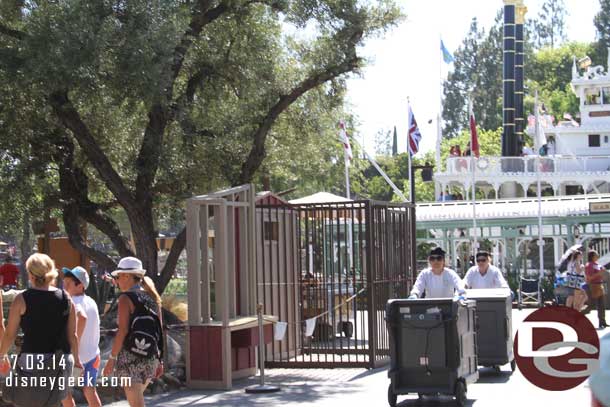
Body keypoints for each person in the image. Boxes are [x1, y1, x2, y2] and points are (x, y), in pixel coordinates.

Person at [0, 253, 81, 406]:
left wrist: (1, 355)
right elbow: (73, 335)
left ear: (30, 274)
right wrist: (77, 361)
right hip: (60, 361)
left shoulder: (22, 299)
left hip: (32, 361)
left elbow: (10, 334)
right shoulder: (66, 299)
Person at [102, 257, 164, 407]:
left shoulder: (125, 298)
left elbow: (122, 331)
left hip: (129, 358)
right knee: (136, 402)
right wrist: (160, 360)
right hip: (150, 357)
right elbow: (159, 330)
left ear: (127, 276)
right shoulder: (153, 298)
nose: (116, 280)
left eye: (118, 276)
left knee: (136, 404)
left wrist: (111, 358)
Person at [61, 266, 102, 407]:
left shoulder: (73, 302)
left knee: (64, 392)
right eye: (64, 283)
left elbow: (82, 317)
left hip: (77, 358)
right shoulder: (91, 301)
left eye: (68, 284)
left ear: (80, 285)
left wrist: (73, 341)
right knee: (90, 391)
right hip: (93, 355)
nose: (64, 287)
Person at [585, 250, 608, 329]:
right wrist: (599, 273)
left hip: (599, 285)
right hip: (593, 286)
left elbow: (601, 272)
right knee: (591, 305)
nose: (598, 256)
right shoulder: (589, 265)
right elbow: (589, 277)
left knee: (601, 305)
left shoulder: (597, 264)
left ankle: (602, 322)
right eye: (596, 254)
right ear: (592, 256)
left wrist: (602, 272)